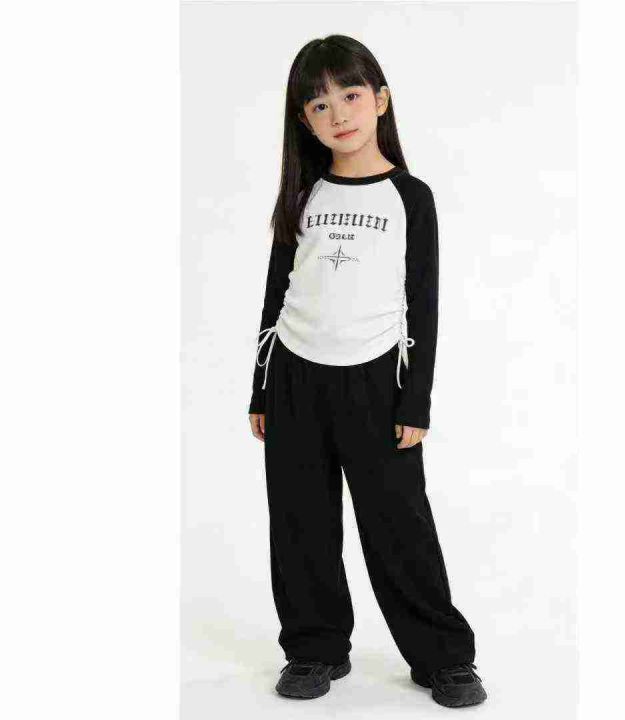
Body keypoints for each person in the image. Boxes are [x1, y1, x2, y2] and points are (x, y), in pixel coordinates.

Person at [247, 35, 487, 709]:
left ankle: (443, 655)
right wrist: (260, 389)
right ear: (304, 120)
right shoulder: (302, 195)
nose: (338, 114)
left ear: (380, 100)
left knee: (398, 524)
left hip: (377, 381)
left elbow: (423, 304)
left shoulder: (411, 197)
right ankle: (314, 648)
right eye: (318, 105)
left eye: (350, 95)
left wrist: (416, 402)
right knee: (301, 521)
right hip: (295, 378)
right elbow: (276, 295)